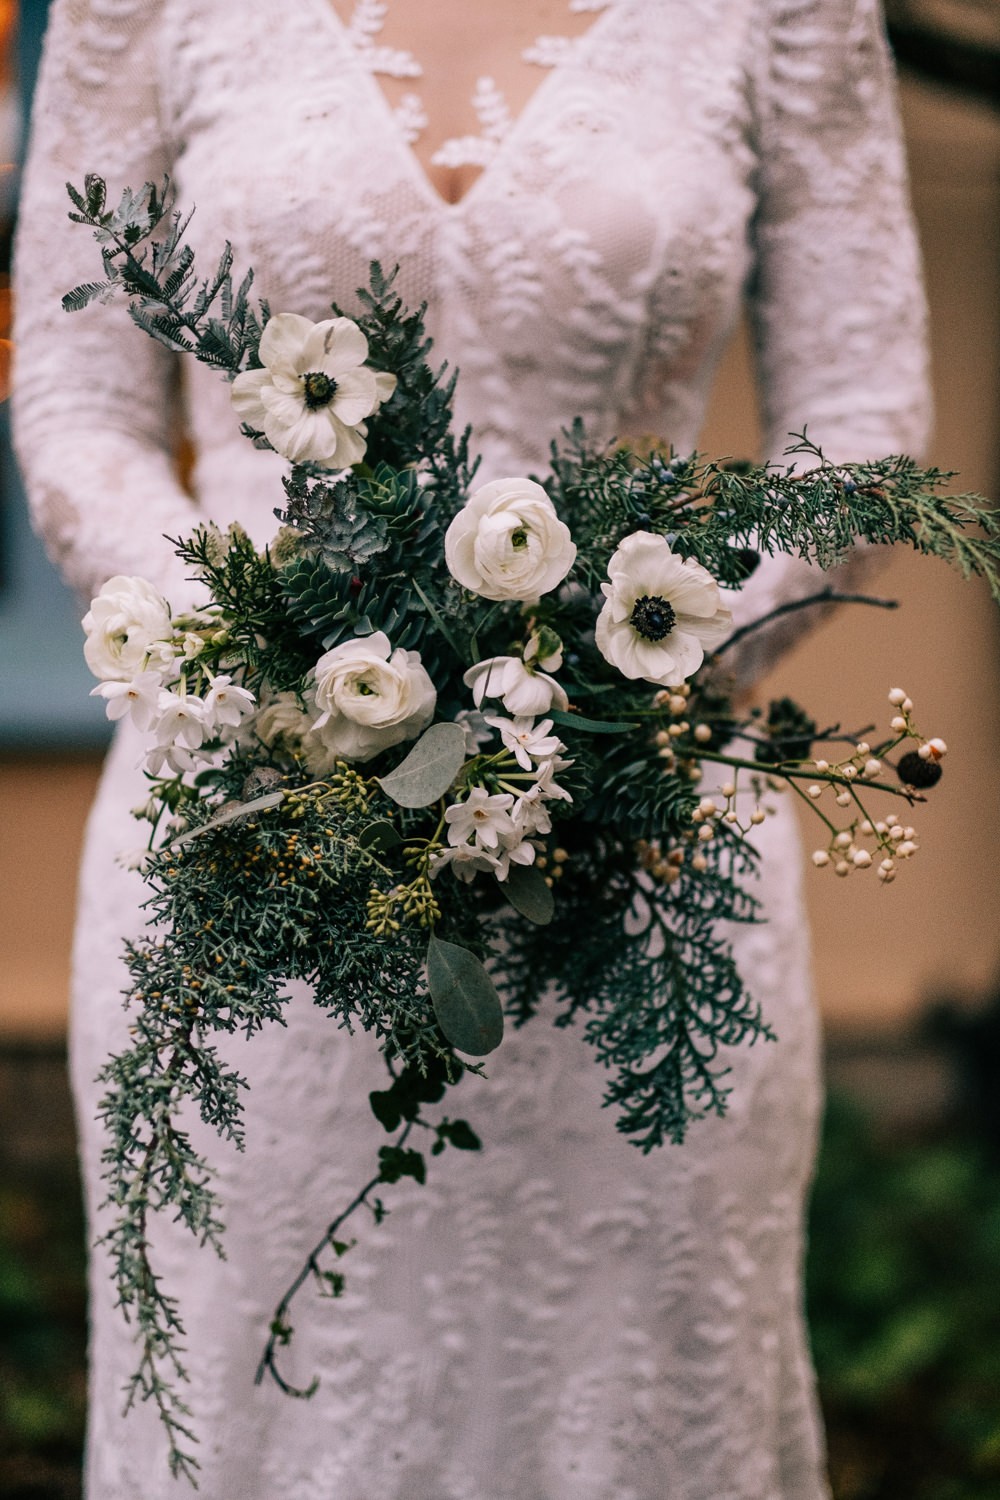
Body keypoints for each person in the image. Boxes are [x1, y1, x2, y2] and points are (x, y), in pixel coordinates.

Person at [12, 1, 929, 1495]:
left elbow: (864, 426)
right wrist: (264, 654)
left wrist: (613, 670)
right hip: (252, 848)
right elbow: (77, 410)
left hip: (643, 868)